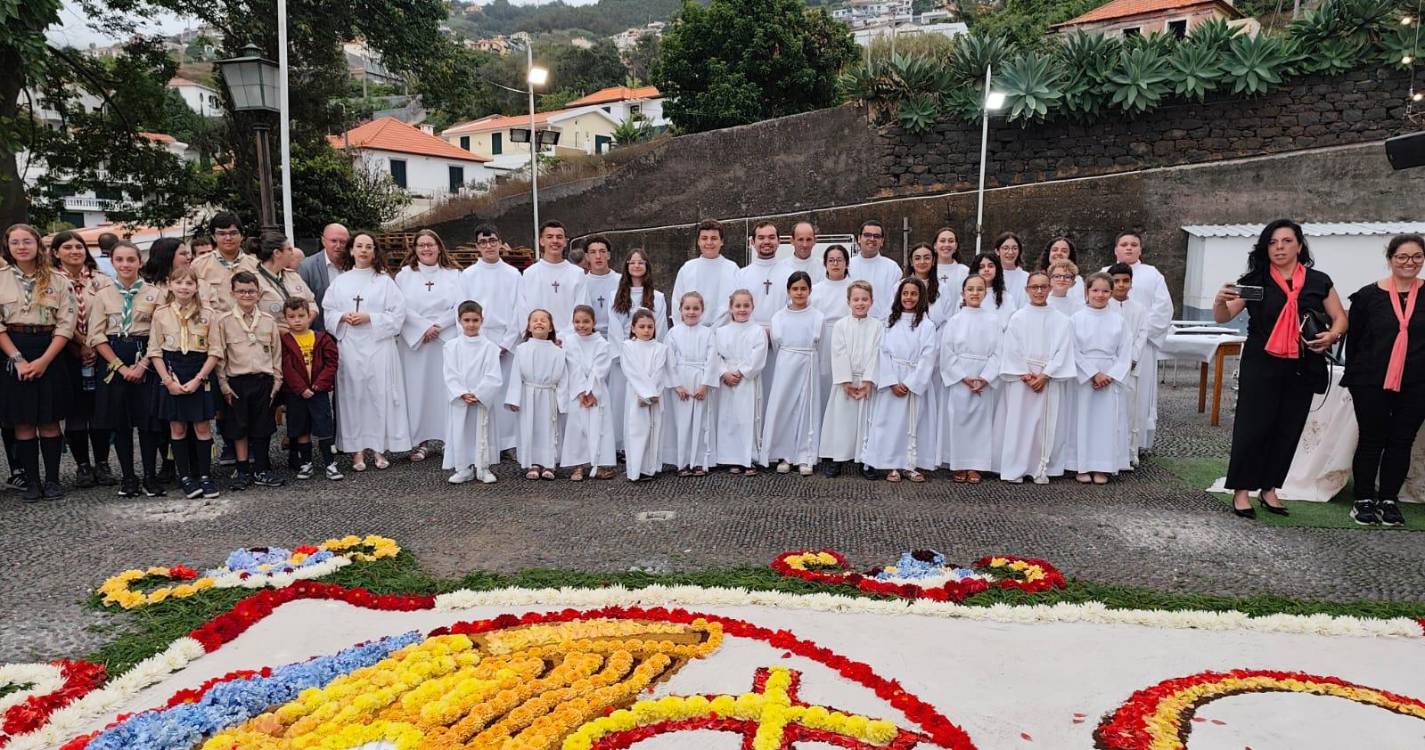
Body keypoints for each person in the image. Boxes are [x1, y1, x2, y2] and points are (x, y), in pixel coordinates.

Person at [1214, 219, 1346, 518]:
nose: (1280, 247)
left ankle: (1270, 488)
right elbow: (1224, 316)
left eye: (1286, 241)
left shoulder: (1319, 280)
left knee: (1288, 428)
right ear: (1265, 247)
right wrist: (1219, 302)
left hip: (1302, 363)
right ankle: (1242, 491)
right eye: (1273, 242)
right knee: (1252, 427)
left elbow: (1339, 317)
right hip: (1261, 361)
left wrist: (1333, 334)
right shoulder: (1254, 279)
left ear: (1299, 245)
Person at [1343, 234, 1425, 526]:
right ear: (1390, 259)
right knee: (1371, 438)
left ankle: (1389, 498)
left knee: (1402, 440)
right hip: (1370, 380)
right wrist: (1355, 377)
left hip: (1417, 382)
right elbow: (1353, 343)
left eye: (1417, 257)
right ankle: (1363, 498)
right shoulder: (1367, 296)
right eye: (1402, 256)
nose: (1409, 262)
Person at [1, 224, 78, 501]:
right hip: (13, 350)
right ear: (8, 247)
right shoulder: (0, 278)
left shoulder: (58, 280)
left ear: (38, 245)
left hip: (50, 350)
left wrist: (45, 360)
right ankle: (32, 481)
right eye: (15, 243)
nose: (21, 247)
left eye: (27, 241)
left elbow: (66, 324)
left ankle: (54, 480)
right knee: (23, 422)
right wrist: (19, 360)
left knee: (49, 420)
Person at [323, 230, 411, 472]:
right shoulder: (340, 281)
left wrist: (369, 317)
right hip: (350, 346)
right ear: (351, 250)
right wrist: (343, 316)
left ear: (374, 252)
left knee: (377, 395)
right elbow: (328, 311)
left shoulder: (384, 282)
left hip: (378, 345)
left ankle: (379, 448)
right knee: (353, 396)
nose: (363, 250)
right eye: (359, 246)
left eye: (368, 246)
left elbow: (398, 314)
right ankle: (356, 450)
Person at [88, 241, 165, 497]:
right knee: (120, 423)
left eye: (130, 260)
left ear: (139, 262)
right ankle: (128, 477)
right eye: (119, 260)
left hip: (146, 356)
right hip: (114, 359)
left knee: (147, 422)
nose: (125, 265)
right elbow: (96, 336)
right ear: (112, 262)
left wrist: (142, 365)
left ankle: (150, 476)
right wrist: (121, 367)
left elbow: (160, 332)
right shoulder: (102, 295)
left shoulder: (155, 294)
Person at [146, 266, 221, 499]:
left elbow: (216, 350)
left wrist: (199, 379)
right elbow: (155, 351)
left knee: (201, 427)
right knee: (177, 427)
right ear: (170, 285)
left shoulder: (208, 313)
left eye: (189, 283)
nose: (184, 287)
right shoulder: (161, 314)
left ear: (196, 287)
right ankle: (185, 477)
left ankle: (205, 476)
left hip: (200, 371)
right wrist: (167, 381)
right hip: (172, 370)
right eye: (179, 283)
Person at [998, 270, 1076, 484]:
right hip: (1022, 380)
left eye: (1043, 287)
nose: (1039, 291)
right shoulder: (1017, 318)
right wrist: (1025, 373)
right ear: (1027, 290)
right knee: (1020, 424)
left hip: (1047, 378)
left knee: (1044, 424)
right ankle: (1016, 467)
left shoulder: (1062, 320)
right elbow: (1010, 348)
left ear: (1050, 289)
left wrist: (1046, 374)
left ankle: (1041, 466)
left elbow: (1063, 350)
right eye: (1035, 287)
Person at [52, 230, 116, 488]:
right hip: (65, 351)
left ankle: (102, 462)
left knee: (100, 409)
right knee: (76, 412)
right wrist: (79, 343)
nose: (74, 252)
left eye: (78, 247)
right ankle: (82, 465)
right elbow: (56, 317)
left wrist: (93, 345)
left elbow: (110, 313)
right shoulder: (51, 280)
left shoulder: (101, 280)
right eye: (67, 247)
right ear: (56, 252)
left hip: (100, 350)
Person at [212, 271, 285, 490]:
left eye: (251, 291)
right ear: (233, 293)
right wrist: (223, 384)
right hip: (237, 383)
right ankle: (243, 470)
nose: (246, 295)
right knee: (239, 428)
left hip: (264, 381)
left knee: (262, 427)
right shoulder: (223, 322)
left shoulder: (268, 321)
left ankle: (262, 469)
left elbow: (276, 353)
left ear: (258, 293)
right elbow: (220, 356)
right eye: (241, 291)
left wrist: (277, 380)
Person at [394, 230, 462, 461]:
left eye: (430, 244)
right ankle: (419, 441)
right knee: (416, 390)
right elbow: (399, 306)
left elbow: (459, 306)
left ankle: (448, 439)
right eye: (421, 245)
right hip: (416, 341)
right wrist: (423, 327)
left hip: (444, 338)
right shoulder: (404, 276)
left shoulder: (454, 275)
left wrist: (438, 326)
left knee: (445, 389)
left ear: (439, 247)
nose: (426, 249)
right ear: (414, 249)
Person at [1102, 231, 1173, 452]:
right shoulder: (1104, 273)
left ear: (1140, 250)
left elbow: (1162, 309)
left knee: (1138, 396)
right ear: (1116, 250)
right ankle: (1105, 442)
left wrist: (1136, 337)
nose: (1129, 248)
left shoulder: (1153, 275)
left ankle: (1134, 445)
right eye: (1124, 244)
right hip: (1108, 348)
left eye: (1134, 244)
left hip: (1142, 347)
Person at [863, 278, 939, 482]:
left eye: (914, 294)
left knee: (914, 423)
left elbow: (928, 355)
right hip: (893, 380)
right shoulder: (888, 322)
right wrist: (891, 380)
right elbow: (882, 352)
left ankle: (911, 464)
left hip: (914, 379)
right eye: (905, 293)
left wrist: (911, 382)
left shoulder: (927, 325)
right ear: (899, 296)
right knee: (891, 424)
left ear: (921, 297)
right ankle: (891, 464)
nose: (909, 297)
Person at [460, 225, 522, 453]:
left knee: (506, 392)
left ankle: (509, 443)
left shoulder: (513, 274)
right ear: (477, 246)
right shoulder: (467, 275)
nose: (488, 246)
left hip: (506, 341)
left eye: (492, 240)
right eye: (483, 242)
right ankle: (485, 443)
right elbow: (462, 308)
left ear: (500, 242)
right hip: (479, 340)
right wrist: (475, 342)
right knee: (484, 391)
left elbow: (519, 310)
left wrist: (506, 343)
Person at [138, 237, 193, 483]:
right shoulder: (148, 287)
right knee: (160, 417)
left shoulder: (190, 284)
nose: (188, 257)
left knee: (186, 414)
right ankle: (166, 462)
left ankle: (187, 463)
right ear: (168, 255)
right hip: (154, 356)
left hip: (184, 355)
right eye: (183, 253)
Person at [1071, 273, 1133, 485]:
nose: (1100, 295)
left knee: (1106, 423)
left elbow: (1126, 352)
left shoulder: (1119, 321)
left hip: (1109, 375)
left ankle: (1103, 465)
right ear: (1087, 291)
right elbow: (1073, 350)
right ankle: (1082, 464)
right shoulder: (1076, 319)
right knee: (1083, 420)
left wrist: (1110, 374)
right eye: (1095, 290)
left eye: (1105, 291)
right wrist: (1092, 373)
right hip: (1085, 376)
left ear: (1112, 293)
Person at [761, 271, 824, 475]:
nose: (799, 292)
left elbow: (819, 345)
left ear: (810, 290)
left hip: (808, 363)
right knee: (784, 407)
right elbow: (776, 344)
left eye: (803, 288)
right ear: (788, 291)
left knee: (806, 408)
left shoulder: (817, 316)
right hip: (786, 365)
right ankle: (784, 454)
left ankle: (806, 455)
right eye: (795, 289)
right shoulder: (778, 317)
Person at [939, 275, 1000, 484]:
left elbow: (999, 352)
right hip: (961, 377)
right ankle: (959, 463)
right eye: (970, 289)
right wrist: (963, 377)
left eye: (979, 289)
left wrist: (985, 378)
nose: (975, 293)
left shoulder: (993, 320)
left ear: (985, 293)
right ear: (963, 293)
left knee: (981, 423)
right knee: (959, 419)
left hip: (983, 376)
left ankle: (977, 465)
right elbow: (946, 352)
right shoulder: (954, 321)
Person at [819, 281, 880, 479]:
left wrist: (868, 381)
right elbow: (838, 352)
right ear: (848, 301)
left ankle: (866, 460)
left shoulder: (878, 326)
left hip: (866, 382)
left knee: (867, 421)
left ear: (871, 301)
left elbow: (877, 353)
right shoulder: (841, 325)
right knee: (841, 421)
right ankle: (838, 458)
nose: (860, 303)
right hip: (845, 382)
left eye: (864, 299)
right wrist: (845, 381)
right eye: (856, 299)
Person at [608, 248, 667, 452]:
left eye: (641, 262)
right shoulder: (614, 296)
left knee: (644, 402)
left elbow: (660, 328)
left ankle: (645, 448)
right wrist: (623, 355)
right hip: (624, 358)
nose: (636, 265)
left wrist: (656, 354)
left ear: (647, 267)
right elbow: (614, 328)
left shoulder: (657, 297)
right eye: (632, 262)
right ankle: (622, 446)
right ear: (626, 266)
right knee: (623, 402)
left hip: (648, 357)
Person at [278, 298, 342, 481]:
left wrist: (320, 384)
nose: (297, 320)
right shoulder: (286, 341)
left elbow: (331, 362)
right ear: (286, 319)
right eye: (291, 317)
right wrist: (301, 388)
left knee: (324, 427)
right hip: (297, 394)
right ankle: (306, 463)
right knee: (301, 429)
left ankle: (330, 463)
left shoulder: (321, 338)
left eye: (301, 316)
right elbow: (286, 367)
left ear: (309, 316)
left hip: (318, 392)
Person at [442, 300, 502, 485]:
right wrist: (461, 393)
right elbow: (449, 373)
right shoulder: (451, 346)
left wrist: (479, 393)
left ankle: (483, 467)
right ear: (459, 321)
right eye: (466, 320)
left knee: (482, 431)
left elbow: (493, 374)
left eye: (475, 320)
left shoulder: (490, 347)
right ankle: (463, 468)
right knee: (461, 431)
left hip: (480, 399)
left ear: (482, 320)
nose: (471, 324)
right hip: (462, 399)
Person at [505, 308, 565, 480]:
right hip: (528, 394)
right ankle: (533, 463)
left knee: (549, 428)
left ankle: (549, 463)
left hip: (549, 395)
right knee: (530, 428)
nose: (539, 322)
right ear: (529, 327)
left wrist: (562, 401)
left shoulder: (558, 352)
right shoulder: (522, 349)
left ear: (551, 328)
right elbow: (516, 374)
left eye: (544, 320)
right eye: (535, 320)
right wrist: (513, 399)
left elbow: (563, 378)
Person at [712, 289, 768, 475]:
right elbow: (715, 355)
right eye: (738, 305)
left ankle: (748, 457)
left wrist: (741, 372)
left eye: (746, 305)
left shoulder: (757, 331)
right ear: (730, 308)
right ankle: (730, 458)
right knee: (728, 418)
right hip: (726, 380)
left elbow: (758, 354)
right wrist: (724, 373)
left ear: (753, 307)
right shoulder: (720, 332)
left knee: (747, 418)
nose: (742, 309)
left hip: (746, 380)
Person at [560, 305, 616, 481]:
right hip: (577, 392)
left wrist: (591, 391)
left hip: (597, 392)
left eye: (586, 321)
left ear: (594, 322)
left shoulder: (602, 344)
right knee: (578, 428)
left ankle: (598, 464)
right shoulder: (569, 341)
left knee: (599, 427)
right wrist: (582, 392)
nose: (581, 325)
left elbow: (600, 369)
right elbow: (573, 367)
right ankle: (578, 466)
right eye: (577, 321)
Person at [663, 292, 717, 476]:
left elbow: (712, 360)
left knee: (701, 421)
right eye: (687, 308)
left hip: (700, 379)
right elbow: (669, 360)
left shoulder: (708, 333)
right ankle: (682, 462)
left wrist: (705, 385)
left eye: (696, 308)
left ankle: (700, 461)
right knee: (682, 421)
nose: (691, 312)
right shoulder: (673, 333)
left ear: (702, 310)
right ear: (680, 310)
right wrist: (677, 385)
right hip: (681, 380)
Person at [621, 308, 671, 482]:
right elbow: (632, 371)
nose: (646, 330)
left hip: (655, 396)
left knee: (654, 428)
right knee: (637, 430)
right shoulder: (628, 346)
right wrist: (644, 394)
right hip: (637, 396)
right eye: (641, 326)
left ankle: (650, 468)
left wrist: (653, 394)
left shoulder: (660, 348)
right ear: (633, 328)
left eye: (650, 326)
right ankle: (636, 470)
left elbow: (659, 371)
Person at [1107, 263, 1149, 468]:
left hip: (1131, 368)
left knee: (1130, 410)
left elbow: (1141, 335)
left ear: (1131, 283)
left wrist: (1131, 359)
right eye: (1116, 281)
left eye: (1125, 281)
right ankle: (1107, 454)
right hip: (1107, 368)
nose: (1121, 285)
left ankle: (1130, 453)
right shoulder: (1103, 306)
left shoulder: (1139, 309)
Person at [515, 221, 585, 337]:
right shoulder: (529, 274)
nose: (555, 241)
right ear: (541, 241)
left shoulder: (577, 274)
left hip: (570, 341)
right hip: (538, 339)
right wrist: (532, 335)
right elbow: (523, 310)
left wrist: (564, 337)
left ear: (565, 242)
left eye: (559, 237)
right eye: (549, 237)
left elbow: (581, 310)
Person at [809, 245, 852, 424]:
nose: (835, 264)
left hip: (849, 337)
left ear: (846, 263)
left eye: (839, 260)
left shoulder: (854, 286)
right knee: (824, 380)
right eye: (831, 260)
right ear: (825, 264)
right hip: (824, 338)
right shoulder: (816, 289)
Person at [672, 220, 740, 326]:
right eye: (704, 238)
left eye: (714, 238)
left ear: (722, 241)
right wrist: (682, 331)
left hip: (723, 332)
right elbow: (677, 303)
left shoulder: (732, 269)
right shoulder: (687, 268)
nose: (709, 242)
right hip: (692, 331)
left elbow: (737, 303)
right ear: (698, 241)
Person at [192, 212, 258, 316]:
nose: (228, 238)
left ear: (242, 236)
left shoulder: (256, 265)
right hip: (214, 325)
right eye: (222, 234)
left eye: (233, 233)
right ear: (214, 237)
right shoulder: (199, 265)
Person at [252, 231, 318, 330]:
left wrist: (305, 323)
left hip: (300, 339)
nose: (292, 252)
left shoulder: (293, 276)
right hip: (273, 340)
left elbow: (311, 302)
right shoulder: (253, 281)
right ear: (277, 253)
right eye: (289, 249)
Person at [734, 221, 790, 330]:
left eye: (771, 237)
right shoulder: (741, 275)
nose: (766, 241)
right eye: (761, 237)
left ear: (779, 241)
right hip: (749, 334)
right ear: (753, 242)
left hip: (781, 334)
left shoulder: (790, 274)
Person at [298, 223, 349, 331]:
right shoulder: (307, 267)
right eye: (334, 241)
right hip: (322, 333)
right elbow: (302, 303)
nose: (338, 245)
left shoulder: (355, 265)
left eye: (343, 242)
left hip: (351, 332)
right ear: (323, 241)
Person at [847, 220, 901, 320]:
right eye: (867, 235)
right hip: (852, 324)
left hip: (883, 326)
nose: (872, 239)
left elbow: (897, 299)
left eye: (876, 236)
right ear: (859, 238)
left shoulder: (892, 267)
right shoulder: (847, 266)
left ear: (882, 241)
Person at [576, 236, 621, 336]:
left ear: (608, 255)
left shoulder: (621, 281)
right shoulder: (581, 282)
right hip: (589, 336)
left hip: (617, 336)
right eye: (593, 252)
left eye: (602, 251)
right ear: (587, 257)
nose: (598, 256)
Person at [957, 253, 1017, 327]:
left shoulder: (1006, 298)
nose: (986, 269)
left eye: (990, 266)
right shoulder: (967, 295)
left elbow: (1011, 327)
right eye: (981, 267)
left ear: (997, 269)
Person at [905, 242, 950, 326]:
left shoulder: (942, 288)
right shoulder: (900, 286)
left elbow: (947, 320)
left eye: (927, 258)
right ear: (911, 262)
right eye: (917, 258)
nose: (922, 262)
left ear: (933, 261)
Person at [995, 232, 1029, 308]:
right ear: (997, 251)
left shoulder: (1027, 278)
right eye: (1005, 248)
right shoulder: (991, 276)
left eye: (1014, 248)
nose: (1010, 252)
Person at [933, 227, 968, 297]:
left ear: (956, 246)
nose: (946, 245)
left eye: (951, 241)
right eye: (942, 241)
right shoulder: (927, 270)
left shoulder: (965, 271)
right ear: (935, 246)